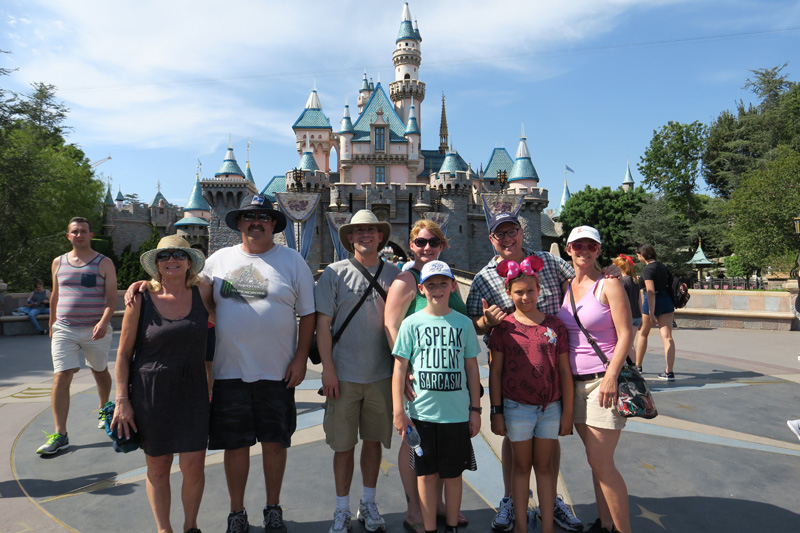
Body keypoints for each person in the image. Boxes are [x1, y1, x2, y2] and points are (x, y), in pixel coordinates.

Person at [202, 194, 315, 533]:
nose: (256, 222)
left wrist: (300, 359)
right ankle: (237, 512)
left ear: (274, 224)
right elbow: (195, 296)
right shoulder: (219, 260)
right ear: (239, 223)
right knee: (235, 447)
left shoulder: (292, 261)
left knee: (274, 444)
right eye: (250, 216)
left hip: (277, 371)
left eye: (264, 217)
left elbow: (308, 315)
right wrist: (145, 285)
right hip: (229, 371)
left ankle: (272, 508)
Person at [465, 212, 581, 533]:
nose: (506, 239)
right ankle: (509, 500)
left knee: (545, 444)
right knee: (513, 441)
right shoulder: (483, 278)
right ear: (491, 239)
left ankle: (551, 502)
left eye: (511, 231)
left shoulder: (549, 261)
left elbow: (581, 279)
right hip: (511, 378)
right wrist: (486, 322)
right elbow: (472, 323)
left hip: (550, 368)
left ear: (520, 232)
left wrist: (610, 273)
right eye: (499, 234)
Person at [111, 236, 213, 533]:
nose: (172, 260)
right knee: (158, 467)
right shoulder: (140, 298)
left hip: (192, 391)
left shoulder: (204, 292)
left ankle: (191, 527)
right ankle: (163, 529)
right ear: (155, 264)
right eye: (164, 255)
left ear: (189, 260)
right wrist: (122, 400)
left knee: (194, 466)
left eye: (179, 254)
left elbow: (245, 299)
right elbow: (122, 354)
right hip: (151, 393)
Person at [315, 210, 400, 533]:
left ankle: (368, 502)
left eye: (372, 230)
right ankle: (341, 509)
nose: (365, 235)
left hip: (381, 375)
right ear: (349, 237)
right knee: (343, 445)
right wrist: (328, 370)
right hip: (344, 376)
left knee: (374, 442)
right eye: (358, 230)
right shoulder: (333, 274)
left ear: (381, 237)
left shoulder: (396, 274)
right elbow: (323, 326)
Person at [384, 219, 468, 532]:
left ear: (443, 245)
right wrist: (404, 369)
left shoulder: (447, 279)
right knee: (414, 442)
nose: (427, 248)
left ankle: (437, 505)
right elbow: (391, 324)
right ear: (411, 246)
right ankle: (414, 509)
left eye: (433, 242)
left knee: (440, 441)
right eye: (420, 242)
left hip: (447, 379)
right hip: (416, 379)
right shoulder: (407, 280)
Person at [392, 260, 481, 533]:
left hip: (456, 414)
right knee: (426, 474)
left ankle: (451, 526)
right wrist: (399, 410)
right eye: (431, 284)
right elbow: (399, 368)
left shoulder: (463, 324)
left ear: (453, 286)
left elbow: (471, 368)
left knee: (453, 476)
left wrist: (475, 409)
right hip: (422, 415)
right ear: (421, 289)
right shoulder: (411, 324)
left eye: (443, 283)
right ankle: (430, 527)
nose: (437, 289)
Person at [488, 255, 573, 533]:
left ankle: (547, 527)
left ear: (540, 290)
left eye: (530, 291)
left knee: (546, 468)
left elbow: (563, 371)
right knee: (521, 468)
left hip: (550, 409)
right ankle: (522, 528)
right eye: (519, 292)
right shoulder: (503, 328)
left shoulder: (555, 326)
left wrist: (567, 413)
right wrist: (496, 412)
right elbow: (496, 372)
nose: (526, 296)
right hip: (516, 408)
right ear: (509, 293)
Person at [557, 226, 632, 533]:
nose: (583, 250)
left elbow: (627, 333)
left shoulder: (609, 283)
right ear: (568, 249)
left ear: (599, 250)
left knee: (603, 463)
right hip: (573, 384)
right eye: (578, 245)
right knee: (595, 460)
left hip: (602, 383)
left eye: (591, 245)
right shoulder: (566, 284)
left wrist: (612, 377)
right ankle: (604, 524)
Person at [37, 217, 117, 455]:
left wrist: (104, 322)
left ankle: (104, 407)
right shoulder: (58, 262)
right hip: (65, 328)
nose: (79, 235)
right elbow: (55, 295)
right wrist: (52, 324)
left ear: (91, 235)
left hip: (95, 329)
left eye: (83, 231)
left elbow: (112, 298)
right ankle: (60, 434)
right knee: (61, 376)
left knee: (99, 371)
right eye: (75, 231)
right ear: (68, 236)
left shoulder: (104, 263)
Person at [633, 243, 676, 381]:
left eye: (638, 255)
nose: (637, 257)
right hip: (667, 301)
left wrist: (651, 313)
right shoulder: (662, 266)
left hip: (653, 301)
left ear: (643, 255)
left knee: (643, 334)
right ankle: (669, 371)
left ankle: (638, 366)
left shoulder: (647, 269)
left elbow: (650, 291)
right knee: (667, 336)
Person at [611, 255, 641, 369]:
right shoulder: (634, 281)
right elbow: (639, 299)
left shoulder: (622, 281)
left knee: (627, 344)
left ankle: (633, 366)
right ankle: (632, 365)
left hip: (628, 316)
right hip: (636, 315)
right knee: (630, 343)